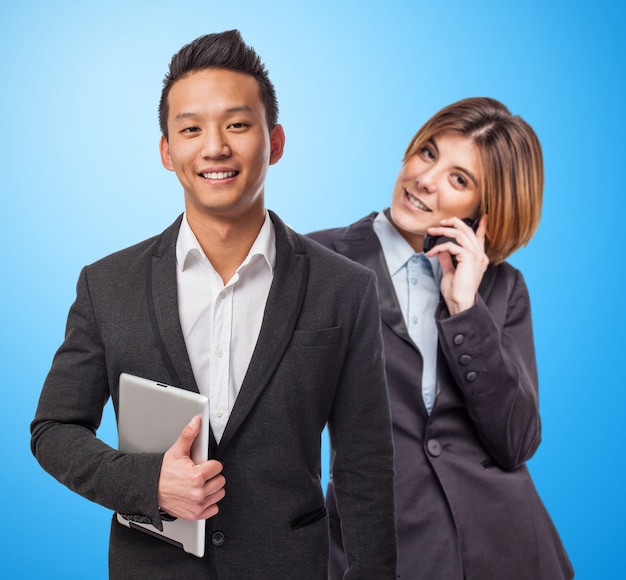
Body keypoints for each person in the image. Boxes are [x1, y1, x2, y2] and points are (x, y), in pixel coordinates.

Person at [31, 30, 397, 579]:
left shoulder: (344, 288)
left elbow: (365, 467)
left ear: (274, 142)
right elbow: (54, 430)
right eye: (191, 128)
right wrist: (146, 482)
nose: (215, 146)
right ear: (166, 151)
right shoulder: (107, 285)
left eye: (237, 124)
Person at [309, 97, 574, 580]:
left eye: (460, 179)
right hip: (387, 547)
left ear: (483, 209)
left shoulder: (501, 287)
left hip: (510, 548)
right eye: (428, 154)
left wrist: (465, 308)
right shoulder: (316, 260)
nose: (426, 180)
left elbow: (516, 441)